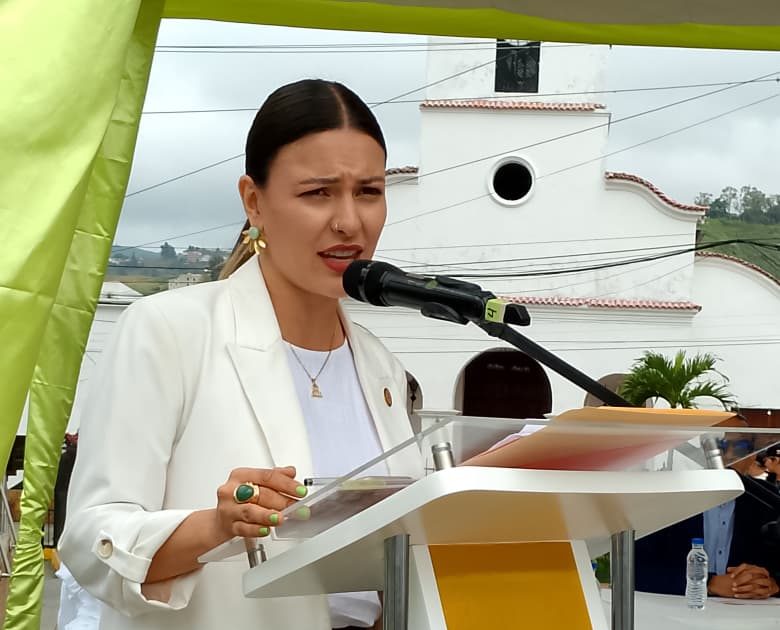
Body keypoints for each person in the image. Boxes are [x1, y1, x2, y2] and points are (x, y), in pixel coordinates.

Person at [59, 79, 423, 630]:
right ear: (254, 201)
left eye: (369, 191)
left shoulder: (380, 366)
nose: (350, 221)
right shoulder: (168, 330)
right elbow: (90, 542)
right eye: (318, 192)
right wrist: (219, 525)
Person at [635, 460, 780, 599]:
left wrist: (771, 584)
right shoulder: (667, 495)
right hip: (671, 614)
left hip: (745, 618)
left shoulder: (765, 499)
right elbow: (632, 570)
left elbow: (773, 565)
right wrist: (708, 583)